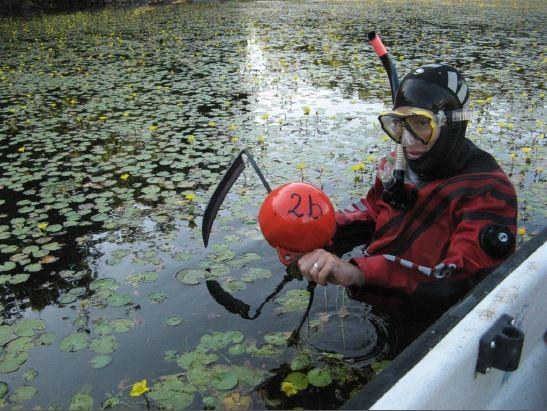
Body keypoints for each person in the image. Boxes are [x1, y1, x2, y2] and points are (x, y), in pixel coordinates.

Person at [298, 64, 517, 305]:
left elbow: (463, 280)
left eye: (421, 124)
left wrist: (359, 272)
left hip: (428, 320)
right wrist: (317, 229)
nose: (408, 140)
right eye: (398, 125)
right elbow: (372, 210)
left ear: (451, 125)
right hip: (377, 293)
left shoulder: (486, 190)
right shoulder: (400, 166)